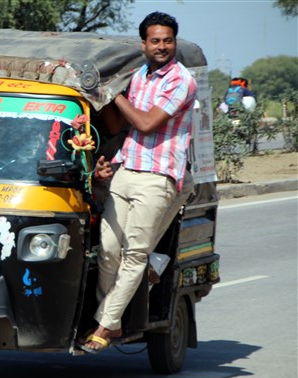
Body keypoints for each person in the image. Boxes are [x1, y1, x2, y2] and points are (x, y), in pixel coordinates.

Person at [79, 11, 197, 353]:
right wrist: (99, 95)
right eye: (155, 41)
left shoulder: (181, 80)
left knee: (134, 254)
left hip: (158, 177)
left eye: (168, 41)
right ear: (143, 44)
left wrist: (113, 93)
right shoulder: (138, 77)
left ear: (174, 42)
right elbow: (120, 126)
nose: (162, 46)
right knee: (108, 250)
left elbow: (145, 123)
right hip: (126, 169)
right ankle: (114, 316)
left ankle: (105, 325)